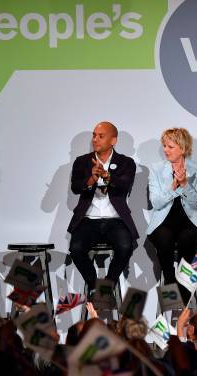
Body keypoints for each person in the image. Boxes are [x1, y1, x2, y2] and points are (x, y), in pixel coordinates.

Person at [68, 122, 138, 293]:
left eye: (100, 136)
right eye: (94, 135)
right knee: (76, 249)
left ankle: (108, 286)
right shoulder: (82, 161)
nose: (95, 140)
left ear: (113, 140)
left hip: (116, 220)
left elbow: (124, 185)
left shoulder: (126, 163)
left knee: (126, 247)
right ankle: (95, 287)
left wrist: (107, 176)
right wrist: (91, 179)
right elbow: (76, 187)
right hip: (88, 219)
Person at [146, 128, 197, 304]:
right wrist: (173, 187)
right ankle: (170, 282)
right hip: (163, 222)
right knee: (164, 238)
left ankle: (182, 293)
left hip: (190, 222)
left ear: (183, 147)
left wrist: (186, 185)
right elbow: (156, 202)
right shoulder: (156, 169)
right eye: (164, 146)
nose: (165, 150)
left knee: (187, 239)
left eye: (170, 146)